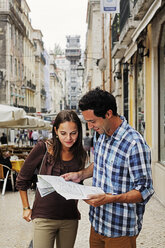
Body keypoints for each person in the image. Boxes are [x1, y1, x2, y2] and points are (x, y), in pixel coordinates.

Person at [62, 88, 154, 248]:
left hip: (120, 231)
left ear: (108, 113)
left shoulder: (134, 144)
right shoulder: (102, 135)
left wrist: (110, 198)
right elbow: (99, 164)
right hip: (97, 223)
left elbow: (144, 191)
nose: (90, 127)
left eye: (93, 121)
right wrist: (80, 175)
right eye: (87, 122)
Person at [16, 110, 87, 248]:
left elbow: (79, 184)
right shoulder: (42, 148)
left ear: (79, 132)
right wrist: (26, 208)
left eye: (73, 133)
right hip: (43, 217)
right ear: (55, 130)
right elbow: (22, 179)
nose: (69, 138)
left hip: (70, 218)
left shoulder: (81, 154)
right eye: (63, 133)